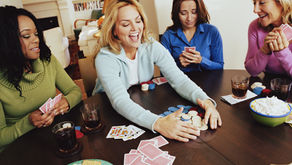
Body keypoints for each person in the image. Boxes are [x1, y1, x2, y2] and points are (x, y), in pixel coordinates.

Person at [92, 0, 222, 142]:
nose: (135, 28)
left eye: (138, 20)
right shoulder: (104, 58)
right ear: (114, 30)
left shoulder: (151, 45)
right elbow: (119, 101)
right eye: (126, 24)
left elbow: (179, 79)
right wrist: (158, 123)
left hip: (139, 105)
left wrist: (206, 101)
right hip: (108, 112)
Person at [0, 6, 82, 152]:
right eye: (26, 36)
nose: (36, 40)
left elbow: (75, 91)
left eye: (36, 34)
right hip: (17, 151)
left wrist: (66, 102)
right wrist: (28, 122)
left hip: (51, 140)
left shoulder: (47, 60)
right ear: (7, 41)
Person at [160, 0, 224, 72]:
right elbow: (163, 71)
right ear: (176, 14)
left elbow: (220, 66)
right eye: (183, 13)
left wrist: (201, 60)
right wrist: (179, 64)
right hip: (179, 82)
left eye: (194, 12)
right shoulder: (168, 36)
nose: (189, 18)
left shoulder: (211, 31)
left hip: (207, 81)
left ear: (199, 11)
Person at [245, 0, 292, 77]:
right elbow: (252, 71)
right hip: (268, 83)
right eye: (254, 3)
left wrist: (282, 52)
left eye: (262, 2)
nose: (255, 10)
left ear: (282, 3)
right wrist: (264, 51)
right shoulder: (255, 26)